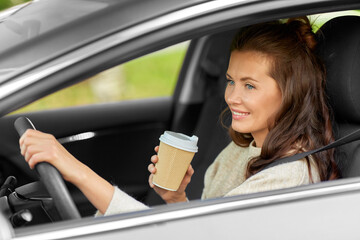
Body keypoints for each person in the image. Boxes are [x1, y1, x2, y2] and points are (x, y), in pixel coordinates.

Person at [19, 16, 339, 216]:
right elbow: (203, 230)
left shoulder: (285, 179)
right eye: (230, 81)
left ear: (291, 92)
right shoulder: (245, 147)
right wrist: (176, 199)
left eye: (250, 85)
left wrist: (71, 166)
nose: (231, 97)